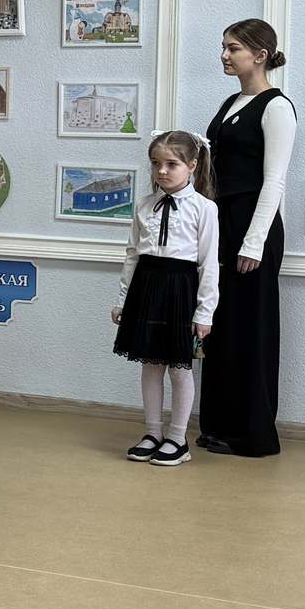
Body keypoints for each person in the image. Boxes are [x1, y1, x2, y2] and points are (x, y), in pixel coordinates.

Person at [199, 19, 293, 458]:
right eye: (224, 46)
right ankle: (219, 426)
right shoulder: (231, 102)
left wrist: (253, 243)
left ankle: (253, 435)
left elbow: (274, 181)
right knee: (221, 327)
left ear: (260, 54)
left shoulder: (277, 107)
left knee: (250, 329)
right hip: (223, 222)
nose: (224, 55)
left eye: (233, 48)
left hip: (253, 227)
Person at [113, 131, 221, 468]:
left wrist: (205, 312)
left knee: (179, 367)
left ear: (192, 165)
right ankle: (152, 432)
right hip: (146, 288)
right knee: (151, 364)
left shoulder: (205, 209)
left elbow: (208, 263)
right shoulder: (144, 205)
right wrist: (122, 299)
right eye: (156, 163)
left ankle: (177, 438)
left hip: (181, 291)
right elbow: (132, 254)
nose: (162, 170)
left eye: (171, 164)